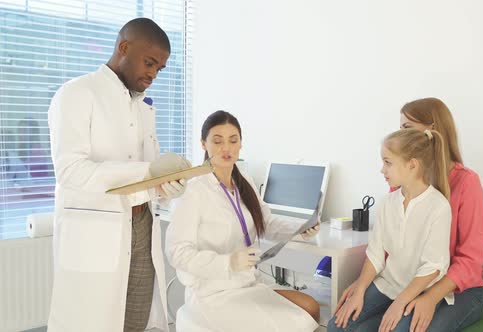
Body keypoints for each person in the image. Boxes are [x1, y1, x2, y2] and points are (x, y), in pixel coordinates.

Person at [48, 18, 190, 332]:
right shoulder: (76, 94)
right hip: (97, 234)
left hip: (142, 227)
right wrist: (148, 172)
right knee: (91, 323)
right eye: (149, 62)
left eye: (160, 68)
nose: (153, 74)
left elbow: (147, 178)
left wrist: (166, 185)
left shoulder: (143, 107)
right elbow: (71, 171)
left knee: (134, 323)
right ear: (124, 48)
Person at [166, 110, 321, 332]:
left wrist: (300, 228)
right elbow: (178, 253)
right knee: (294, 323)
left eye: (233, 140)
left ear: (241, 144)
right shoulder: (193, 190)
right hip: (213, 294)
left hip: (248, 283)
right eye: (217, 141)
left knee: (311, 307)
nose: (226, 148)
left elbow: (265, 222)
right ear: (203, 144)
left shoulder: (244, 180)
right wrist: (228, 262)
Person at [328, 128, 452, 332]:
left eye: (387, 162)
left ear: (412, 164)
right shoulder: (387, 203)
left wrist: (399, 303)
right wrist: (359, 290)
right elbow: (375, 254)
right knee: (336, 326)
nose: (382, 170)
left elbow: (433, 267)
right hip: (388, 284)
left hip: (420, 291)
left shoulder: (438, 207)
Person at [396, 98, 483, 332]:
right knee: (343, 324)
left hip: (461, 292)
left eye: (406, 128)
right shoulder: (402, 178)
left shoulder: (467, 182)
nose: (399, 135)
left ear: (432, 129)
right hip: (413, 284)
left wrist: (430, 297)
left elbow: (471, 261)